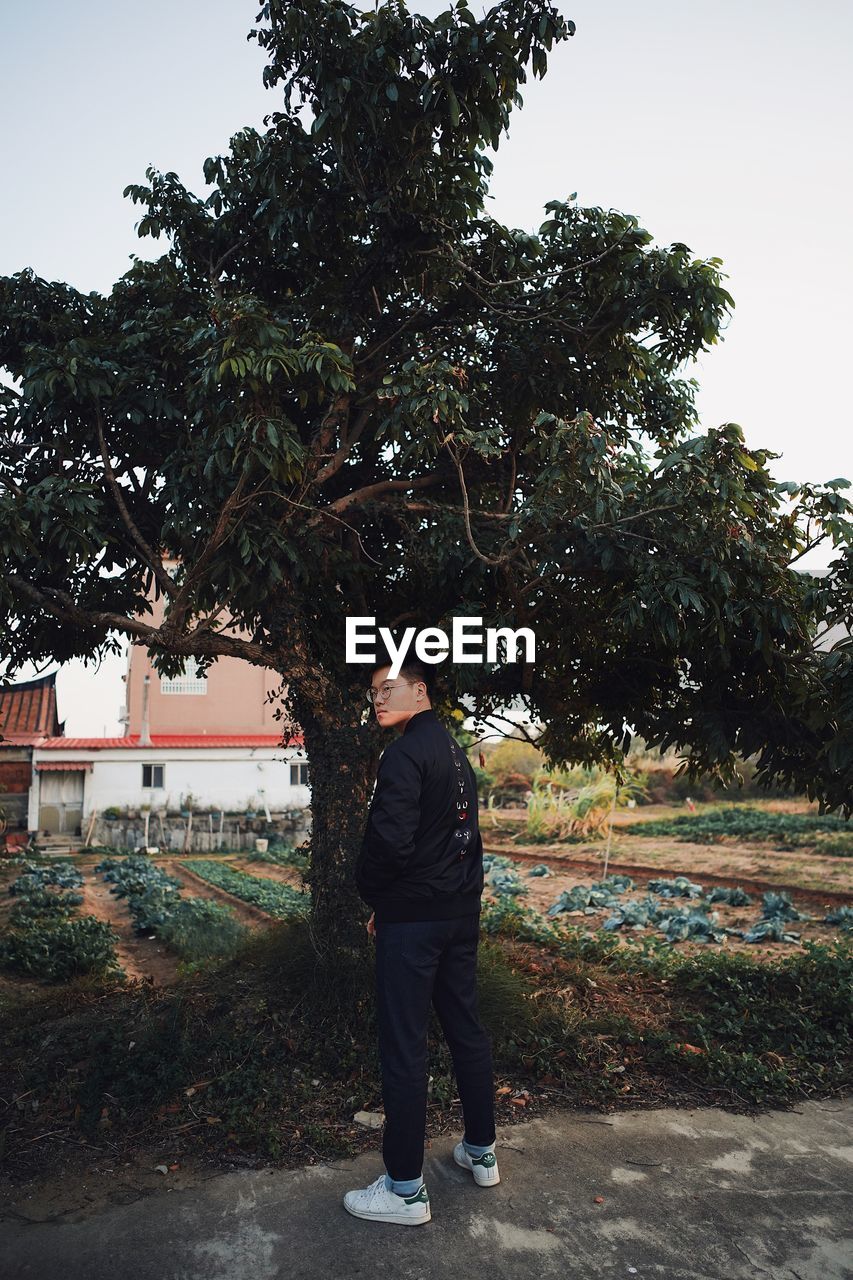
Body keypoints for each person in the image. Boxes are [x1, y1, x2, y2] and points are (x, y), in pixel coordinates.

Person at [342, 654, 499, 1226]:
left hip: (414, 922)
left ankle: (405, 1190)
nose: (378, 700)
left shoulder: (405, 753)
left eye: (388, 689)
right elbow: (466, 843)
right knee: (466, 1029)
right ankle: (480, 1153)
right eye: (374, 693)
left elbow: (390, 842)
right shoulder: (456, 754)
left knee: (405, 1046)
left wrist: (376, 899)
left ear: (421, 691)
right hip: (458, 916)